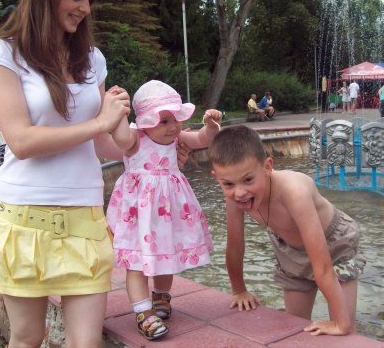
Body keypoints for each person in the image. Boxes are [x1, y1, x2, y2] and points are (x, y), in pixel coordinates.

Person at [0, 0, 132, 347]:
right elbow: (21, 140)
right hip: (22, 218)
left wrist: (151, 145)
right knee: (28, 337)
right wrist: (99, 122)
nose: (84, 8)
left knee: (86, 343)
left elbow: (102, 142)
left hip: (84, 217)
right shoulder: (2, 51)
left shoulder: (91, 59)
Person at [207, 125, 366, 336]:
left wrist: (341, 323)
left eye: (248, 180)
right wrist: (239, 290)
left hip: (334, 244)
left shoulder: (294, 191)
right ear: (216, 177)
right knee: (295, 326)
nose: (239, 193)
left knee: (344, 328)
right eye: (228, 184)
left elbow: (323, 265)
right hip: (290, 248)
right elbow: (235, 247)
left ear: (267, 166)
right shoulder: (235, 199)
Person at [106, 80, 221, 341]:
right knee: (136, 263)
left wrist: (211, 126)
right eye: (163, 121)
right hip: (139, 215)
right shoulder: (135, 139)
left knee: (165, 256)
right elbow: (120, 137)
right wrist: (120, 110)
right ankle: (143, 312)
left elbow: (201, 139)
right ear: (145, 122)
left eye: (175, 119)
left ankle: (161, 297)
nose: (172, 127)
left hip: (168, 214)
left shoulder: (176, 138)